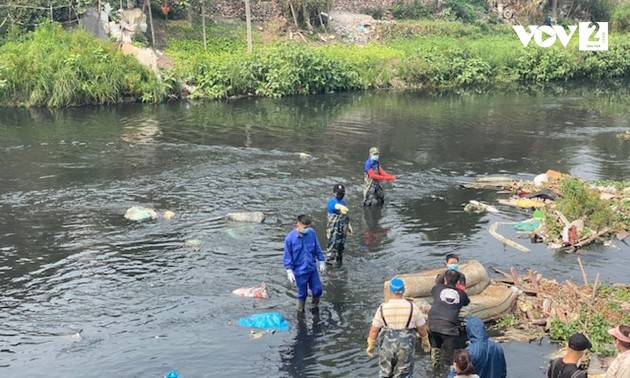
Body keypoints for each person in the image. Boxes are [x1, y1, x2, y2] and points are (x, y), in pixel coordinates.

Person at [366, 277, 431, 378]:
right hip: (406, 345)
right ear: (403, 291)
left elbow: (374, 330)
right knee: (404, 373)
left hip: (387, 345)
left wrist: (371, 345)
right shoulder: (413, 307)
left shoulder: (383, 308)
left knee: (385, 372)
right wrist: (425, 340)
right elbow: (422, 328)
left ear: (390, 290)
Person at [283, 214, 326, 312]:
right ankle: (300, 313)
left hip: (312, 268)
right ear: (298, 225)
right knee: (302, 294)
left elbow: (317, 248)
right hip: (300, 271)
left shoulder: (311, 233)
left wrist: (321, 261)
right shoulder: (290, 239)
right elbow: (287, 256)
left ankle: (315, 307)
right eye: (305, 227)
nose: (307, 229)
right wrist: (289, 270)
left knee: (318, 290)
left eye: (308, 227)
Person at [428, 269, 470, 369]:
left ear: (445, 279)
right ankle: (453, 372)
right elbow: (466, 302)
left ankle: (434, 368)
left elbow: (437, 282)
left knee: (435, 349)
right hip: (449, 329)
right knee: (454, 358)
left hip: (432, 325)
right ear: (458, 281)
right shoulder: (461, 294)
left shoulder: (437, 288)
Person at [326, 183, 351, 265]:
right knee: (332, 246)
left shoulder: (343, 202)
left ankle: (339, 265)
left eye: (342, 193)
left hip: (342, 229)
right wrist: (339, 207)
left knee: (340, 248)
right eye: (339, 193)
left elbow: (345, 215)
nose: (341, 194)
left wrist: (349, 225)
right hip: (333, 229)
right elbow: (333, 206)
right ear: (334, 193)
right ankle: (329, 268)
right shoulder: (332, 202)